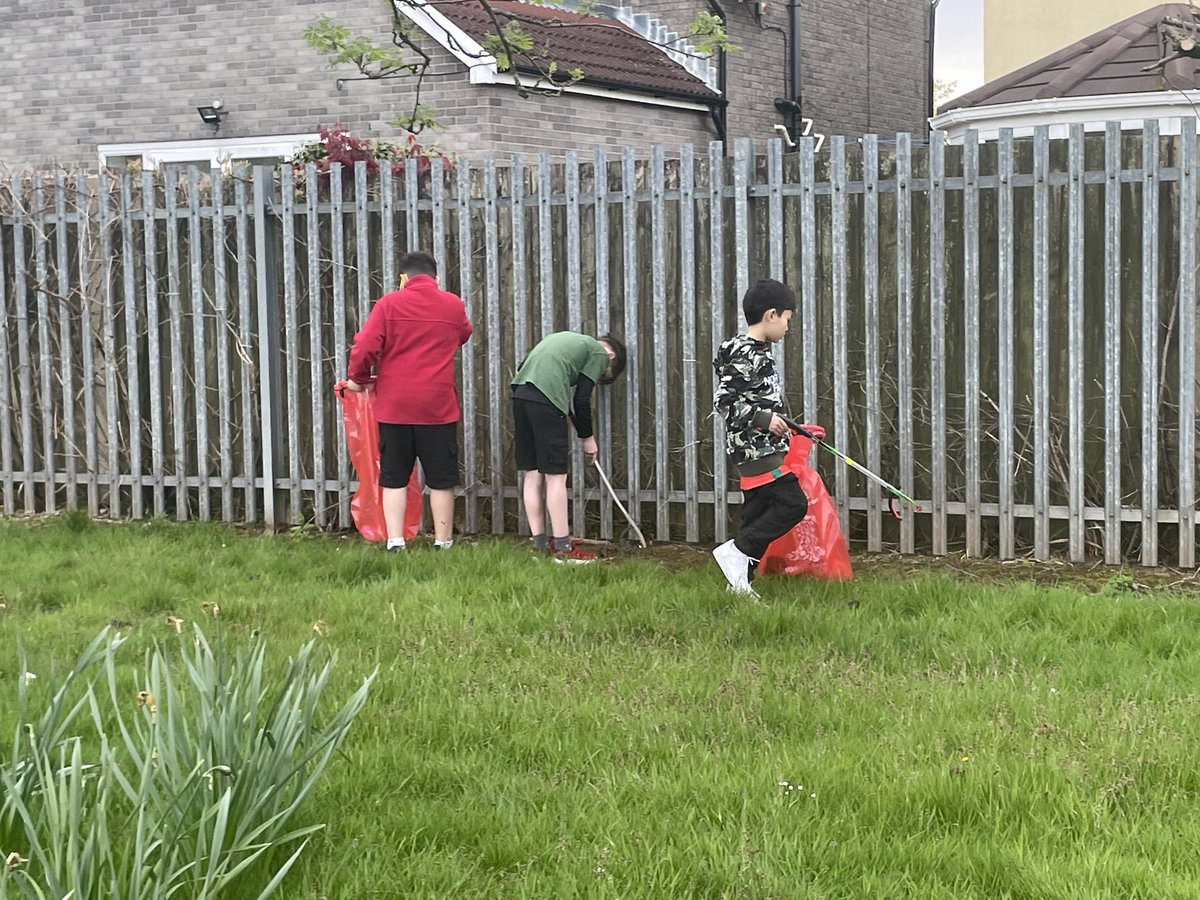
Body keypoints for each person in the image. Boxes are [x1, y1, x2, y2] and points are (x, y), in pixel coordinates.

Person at [344, 251, 472, 550]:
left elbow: (364, 346)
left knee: (394, 475)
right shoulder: (453, 304)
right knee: (441, 478)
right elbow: (463, 335)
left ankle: (396, 541)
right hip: (437, 406)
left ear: (403, 278)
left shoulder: (389, 304)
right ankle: (443, 542)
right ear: (435, 279)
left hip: (395, 406)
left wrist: (358, 379)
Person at [712, 278, 812, 596]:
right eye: (786, 319)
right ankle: (736, 551)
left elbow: (756, 401)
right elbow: (724, 402)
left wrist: (786, 425)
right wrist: (765, 419)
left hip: (760, 447)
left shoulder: (756, 351)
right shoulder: (746, 353)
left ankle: (741, 583)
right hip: (755, 451)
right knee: (793, 504)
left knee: (756, 513)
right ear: (771, 315)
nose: (787, 327)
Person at [511, 331, 627, 558]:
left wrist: (570, 418)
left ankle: (539, 545)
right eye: (604, 374)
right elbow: (581, 397)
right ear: (610, 356)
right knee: (555, 476)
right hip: (545, 401)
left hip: (521, 395)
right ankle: (564, 549)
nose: (600, 373)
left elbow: (525, 368)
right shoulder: (597, 352)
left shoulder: (563, 340)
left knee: (533, 473)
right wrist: (588, 438)